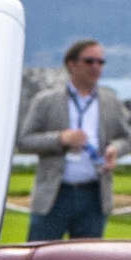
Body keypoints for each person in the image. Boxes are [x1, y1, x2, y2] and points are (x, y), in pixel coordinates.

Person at [23, 38, 116, 241]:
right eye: (89, 61)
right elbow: (24, 141)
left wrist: (115, 150)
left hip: (94, 195)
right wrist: (60, 139)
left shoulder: (109, 100)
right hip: (54, 195)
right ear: (71, 64)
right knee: (41, 259)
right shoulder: (46, 100)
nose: (96, 67)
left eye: (100, 62)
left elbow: (124, 138)